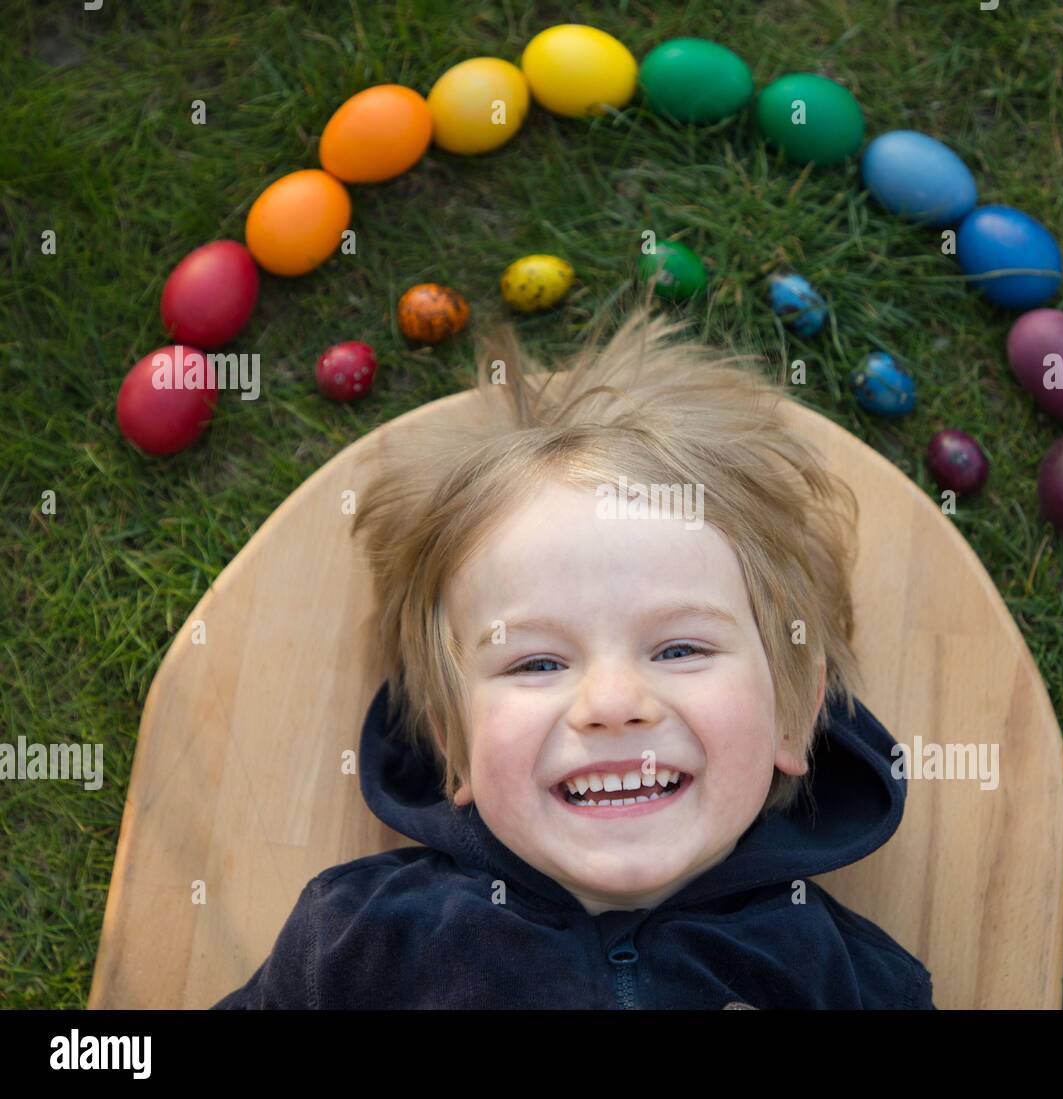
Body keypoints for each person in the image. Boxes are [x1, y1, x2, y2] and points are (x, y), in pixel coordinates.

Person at [212, 296, 935, 1009]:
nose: (612, 704)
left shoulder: (856, 985)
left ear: (794, 715)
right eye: (537, 663)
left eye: (680, 648)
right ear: (452, 744)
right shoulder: (359, 942)